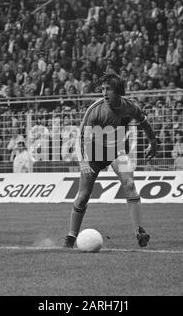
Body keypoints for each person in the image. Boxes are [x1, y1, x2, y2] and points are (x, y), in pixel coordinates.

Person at [64, 73, 157, 248]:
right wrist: (83, 162)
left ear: (119, 91)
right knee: (83, 196)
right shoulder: (95, 110)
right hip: (94, 152)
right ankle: (70, 237)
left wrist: (153, 142)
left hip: (118, 151)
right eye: (103, 89)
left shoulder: (129, 107)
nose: (104, 93)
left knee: (129, 184)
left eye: (109, 89)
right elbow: (81, 137)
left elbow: (143, 121)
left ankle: (139, 232)